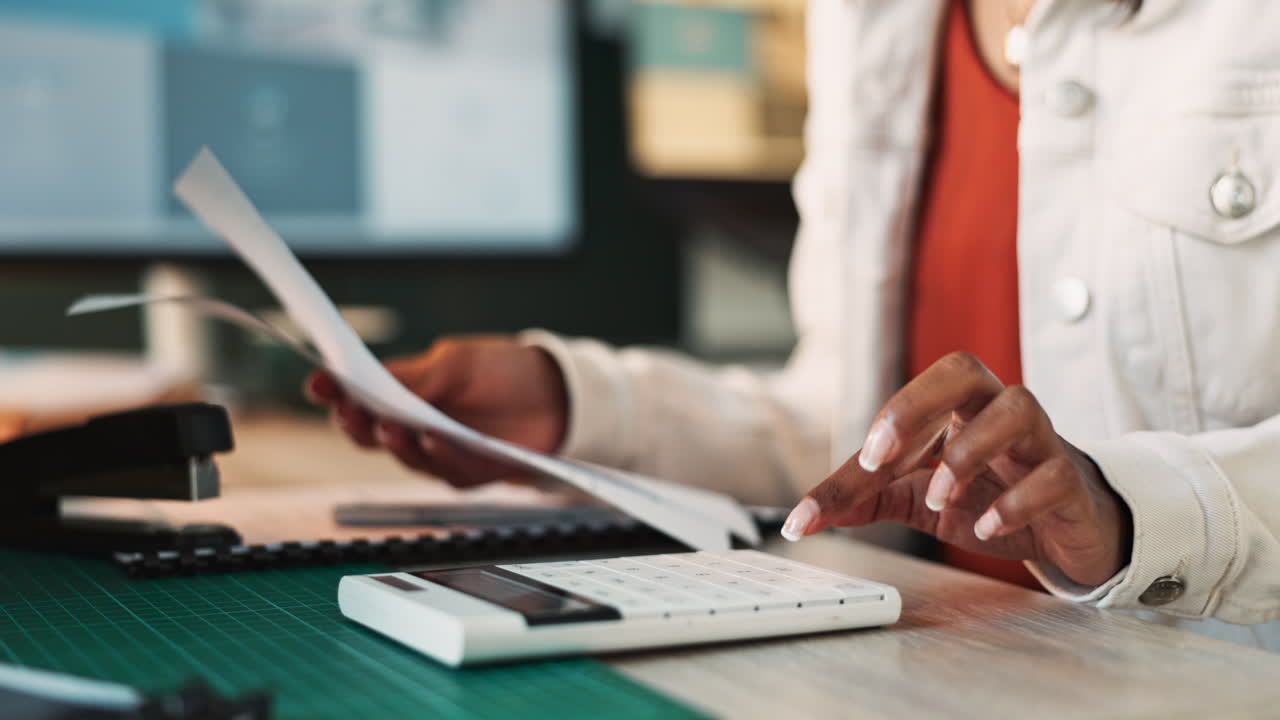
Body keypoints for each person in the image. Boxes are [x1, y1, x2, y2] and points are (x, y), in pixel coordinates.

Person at [309, 0, 1280, 647]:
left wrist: (1125, 510)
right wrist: (575, 407)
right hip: (929, 672)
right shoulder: (872, 19)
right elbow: (853, 433)